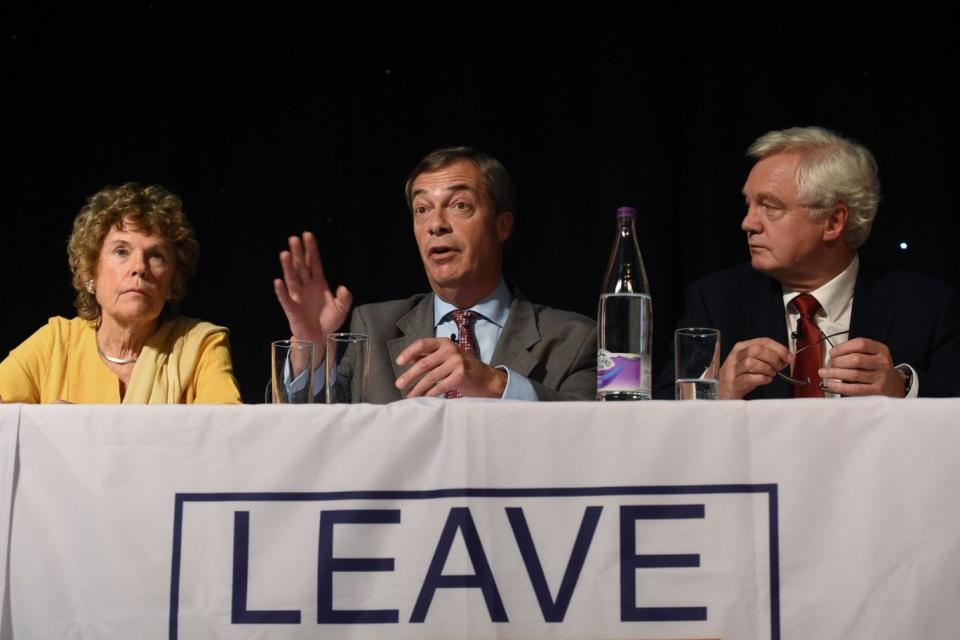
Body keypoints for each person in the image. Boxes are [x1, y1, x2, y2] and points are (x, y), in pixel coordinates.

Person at [654, 126, 960, 400]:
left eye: (770, 206)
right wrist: (717, 391)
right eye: (749, 204)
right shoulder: (716, 301)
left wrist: (903, 389)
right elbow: (659, 412)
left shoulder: (926, 305)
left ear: (833, 221)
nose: (748, 223)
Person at [274, 147, 596, 402]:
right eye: (422, 210)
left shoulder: (573, 340)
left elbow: (597, 436)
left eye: (459, 205)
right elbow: (315, 436)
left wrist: (496, 384)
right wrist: (308, 352)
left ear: (502, 226)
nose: (436, 224)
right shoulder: (374, 328)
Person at [0, 183, 241, 404]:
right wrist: (47, 426)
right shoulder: (56, 343)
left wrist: (80, 428)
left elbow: (227, 436)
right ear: (89, 271)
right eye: (121, 251)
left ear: (173, 281)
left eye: (156, 256)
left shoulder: (201, 346)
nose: (139, 268)